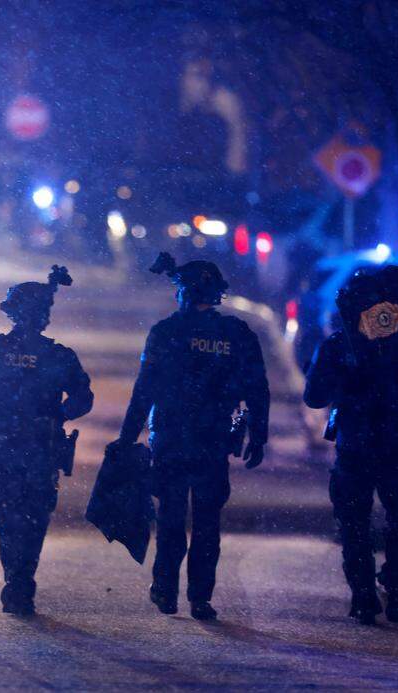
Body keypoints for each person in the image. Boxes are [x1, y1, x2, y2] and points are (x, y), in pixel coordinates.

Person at [111, 253, 270, 620]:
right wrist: (258, 435)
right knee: (207, 525)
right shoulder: (237, 334)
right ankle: (200, 598)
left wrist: (127, 437)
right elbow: (257, 389)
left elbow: (144, 390)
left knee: (170, 519)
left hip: (171, 439)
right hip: (213, 441)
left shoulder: (166, 332)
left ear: (184, 293)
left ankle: (165, 590)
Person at [0, 265, 93, 616]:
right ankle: (21, 579)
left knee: (9, 516)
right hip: (40, 450)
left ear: (11, 313)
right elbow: (83, 398)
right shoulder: (58, 356)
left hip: (1, 447)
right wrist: (56, 415)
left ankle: (15, 579)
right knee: (34, 516)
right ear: (43, 317)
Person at [303, 271, 398, 626]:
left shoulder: (338, 345)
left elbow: (314, 396)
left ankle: (366, 596)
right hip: (392, 448)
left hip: (361, 449)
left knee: (356, 525)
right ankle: (389, 589)